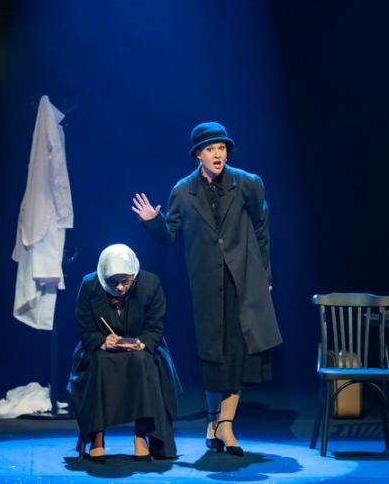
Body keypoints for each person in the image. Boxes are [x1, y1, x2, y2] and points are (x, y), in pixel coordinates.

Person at [132, 122, 282, 456]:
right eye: (211, 149)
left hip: (244, 280)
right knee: (215, 356)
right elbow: (169, 235)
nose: (218, 154)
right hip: (207, 285)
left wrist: (265, 275)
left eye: (222, 148)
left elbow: (262, 230)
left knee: (240, 354)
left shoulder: (247, 183)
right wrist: (152, 221)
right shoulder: (183, 191)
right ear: (198, 154)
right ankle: (214, 420)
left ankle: (226, 425)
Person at [67, 244, 179, 463]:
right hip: (101, 349)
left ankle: (141, 436)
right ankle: (97, 437)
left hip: (139, 347)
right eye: (113, 282)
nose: (119, 288)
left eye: (125, 282)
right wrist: (101, 341)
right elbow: (84, 328)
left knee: (143, 360)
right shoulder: (89, 285)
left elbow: (155, 327)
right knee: (99, 362)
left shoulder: (150, 283)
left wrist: (142, 343)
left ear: (133, 275)